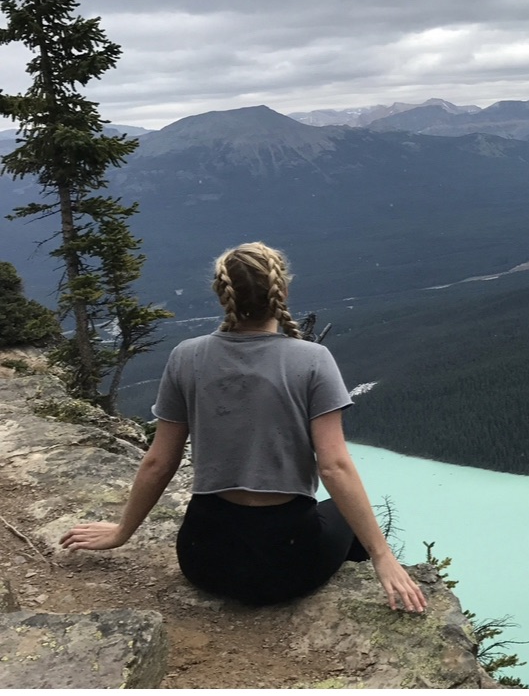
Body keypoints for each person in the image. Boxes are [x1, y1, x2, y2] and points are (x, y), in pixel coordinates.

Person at [59, 241, 425, 612]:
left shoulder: (187, 355)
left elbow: (159, 461)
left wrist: (123, 532)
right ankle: (377, 587)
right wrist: (382, 555)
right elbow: (334, 466)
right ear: (282, 291)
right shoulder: (313, 359)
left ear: (222, 294)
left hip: (204, 559)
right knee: (341, 519)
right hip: (289, 565)